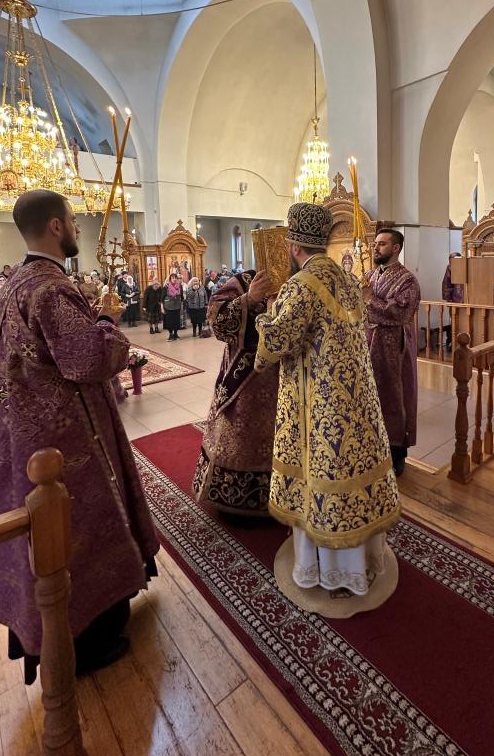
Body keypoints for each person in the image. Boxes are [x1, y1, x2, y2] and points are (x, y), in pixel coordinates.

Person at [0, 189, 159, 684]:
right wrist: (108, 324)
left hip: (24, 433)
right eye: (74, 220)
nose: (79, 228)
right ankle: (87, 638)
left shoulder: (15, 282)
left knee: (46, 534)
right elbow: (88, 359)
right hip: (64, 439)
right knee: (78, 528)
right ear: (56, 226)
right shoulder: (51, 288)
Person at [255, 203, 400, 599]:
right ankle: (361, 564)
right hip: (356, 400)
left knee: (323, 477)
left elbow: (275, 344)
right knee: (351, 471)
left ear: (293, 245)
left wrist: (266, 316)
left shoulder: (300, 285)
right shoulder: (347, 279)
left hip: (320, 406)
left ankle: (326, 571)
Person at [193, 269, 279, 515]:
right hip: (245, 385)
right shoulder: (243, 281)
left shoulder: (298, 282)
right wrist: (249, 299)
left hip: (284, 380)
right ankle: (233, 497)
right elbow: (217, 323)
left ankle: (282, 496)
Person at [363, 229, 421, 477]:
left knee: (394, 397)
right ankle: (372, 449)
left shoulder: (408, 281)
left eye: (382, 244)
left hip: (394, 349)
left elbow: (401, 313)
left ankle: (397, 453)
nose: (376, 248)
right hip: (368, 344)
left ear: (396, 248)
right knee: (371, 396)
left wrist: (369, 300)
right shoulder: (369, 275)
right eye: (375, 244)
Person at [162, 275, 182, 339]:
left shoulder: (179, 286)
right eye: (173, 278)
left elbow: (181, 296)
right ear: (170, 279)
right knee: (170, 321)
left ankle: (175, 334)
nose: (174, 279)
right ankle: (170, 334)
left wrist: (181, 302)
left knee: (176, 321)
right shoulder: (166, 286)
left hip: (177, 306)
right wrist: (162, 307)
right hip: (169, 307)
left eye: (175, 278)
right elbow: (162, 298)